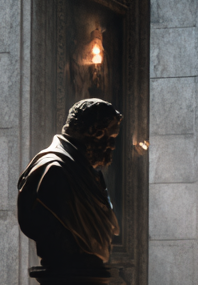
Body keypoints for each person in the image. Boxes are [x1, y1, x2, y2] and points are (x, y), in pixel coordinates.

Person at [17, 98, 122, 272]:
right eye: (111, 137)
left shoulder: (86, 172)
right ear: (95, 133)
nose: (112, 146)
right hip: (66, 278)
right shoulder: (53, 171)